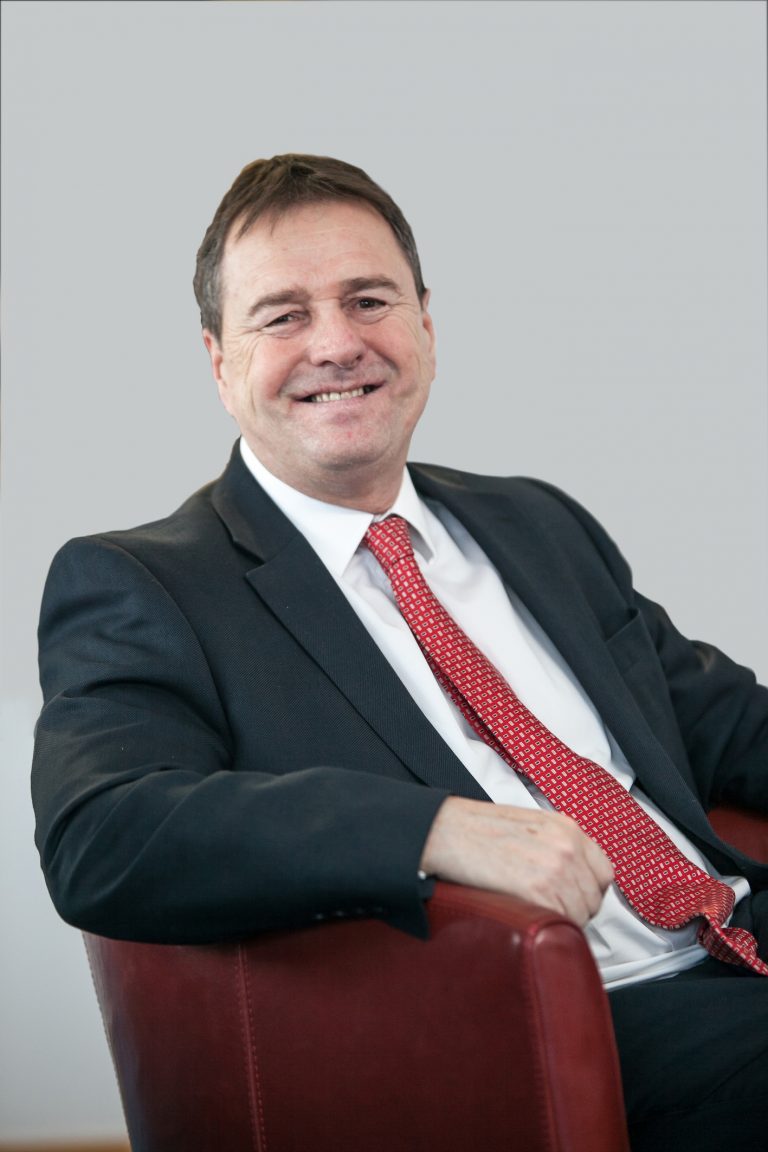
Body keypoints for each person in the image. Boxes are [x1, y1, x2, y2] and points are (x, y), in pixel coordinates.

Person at [32, 153, 768, 1150]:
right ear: (218, 362)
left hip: (737, 939)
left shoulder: (535, 522)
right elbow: (103, 836)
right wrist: (433, 830)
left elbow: (726, 724)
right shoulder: (145, 584)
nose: (337, 343)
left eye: (368, 301)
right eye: (282, 316)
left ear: (425, 326)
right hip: (559, 1028)